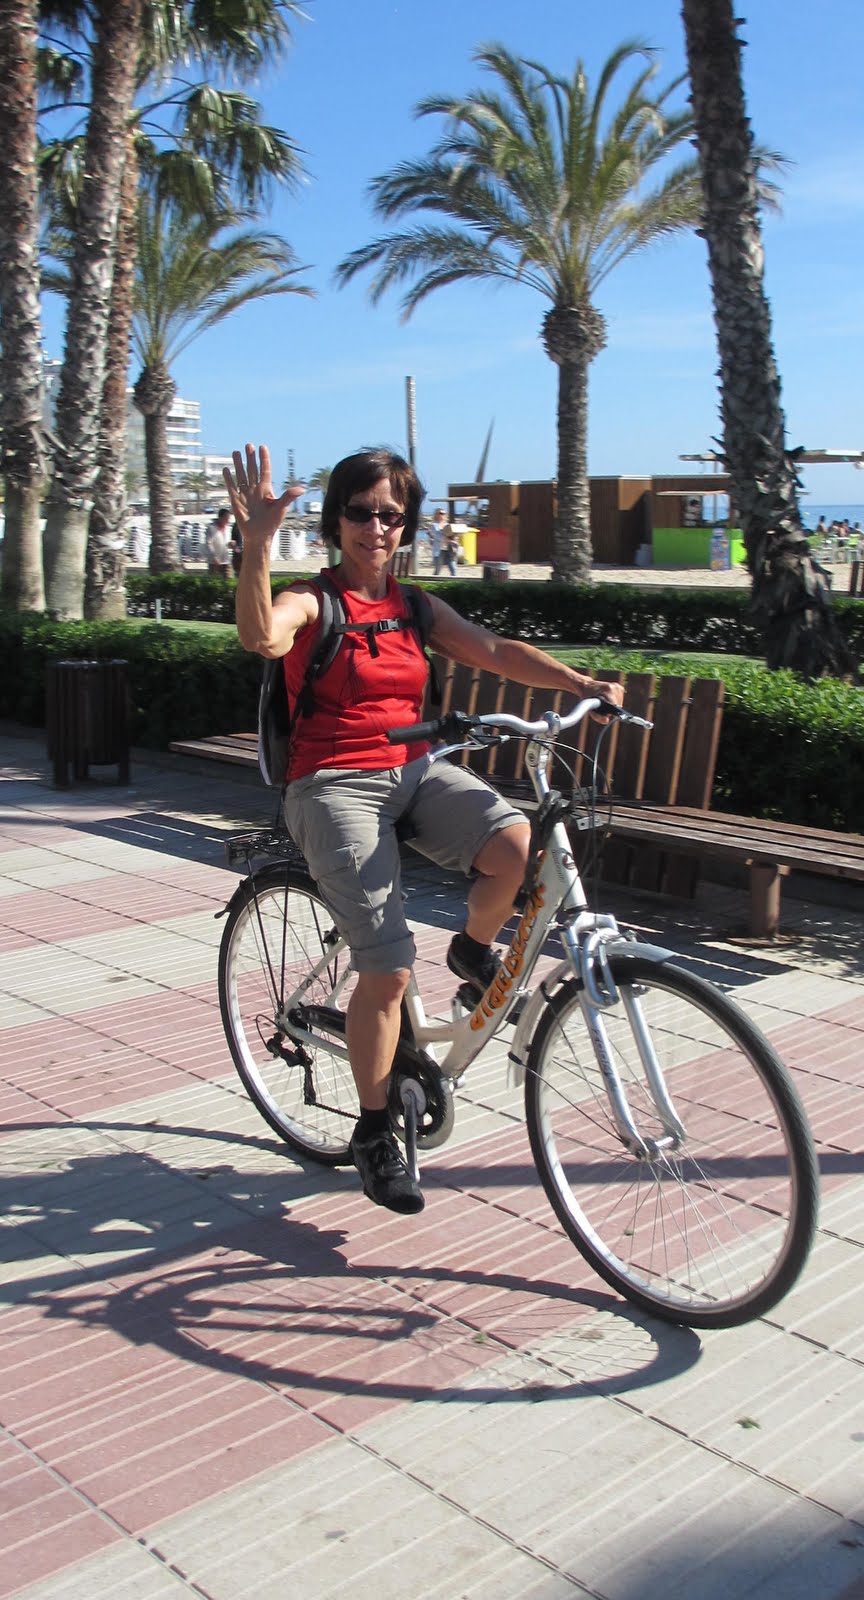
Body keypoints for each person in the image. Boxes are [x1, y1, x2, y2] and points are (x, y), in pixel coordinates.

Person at [224, 442, 623, 1217]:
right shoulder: (314, 600)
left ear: (406, 525)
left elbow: (494, 650)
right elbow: (261, 637)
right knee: (389, 970)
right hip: (331, 783)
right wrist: (258, 545)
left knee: (517, 849)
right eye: (361, 512)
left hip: (412, 768)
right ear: (337, 520)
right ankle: (375, 1129)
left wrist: (581, 684)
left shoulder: (414, 607)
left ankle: (473, 948)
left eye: (392, 514)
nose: (377, 527)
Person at [205, 507, 232, 576]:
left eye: (228, 518)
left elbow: (226, 543)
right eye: (226, 518)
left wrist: (231, 544)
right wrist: (214, 557)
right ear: (220, 517)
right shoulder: (211, 528)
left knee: (228, 578)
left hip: (225, 560)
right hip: (214, 561)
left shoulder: (228, 528)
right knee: (214, 579)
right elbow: (208, 544)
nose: (227, 520)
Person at [429, 507, 448, 572]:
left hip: (448, 550)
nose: (442, 515)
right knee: (438, 569)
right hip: (438, 550)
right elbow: (437, 536)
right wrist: (446, 538)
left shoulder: (447, 525)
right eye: (440, 513)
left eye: (443, 513)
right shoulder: (434, 525)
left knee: (452, 567)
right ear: (436, 514)